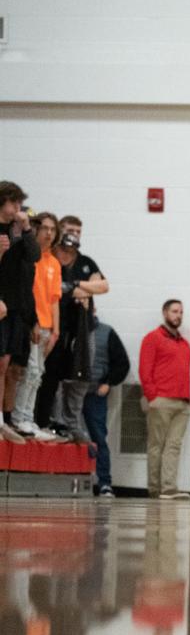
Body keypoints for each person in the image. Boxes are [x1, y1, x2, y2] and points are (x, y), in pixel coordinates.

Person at [36, 215, 110, 442]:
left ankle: (70, 423)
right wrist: (79, 290)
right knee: (51, 375)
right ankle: (50, 420)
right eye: (70, 230)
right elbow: (57, 289)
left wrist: (76, 285)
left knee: (80, 376)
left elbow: (102, 286)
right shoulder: (50, 258)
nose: (74, 235)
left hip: (81, 327)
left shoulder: (86, 261)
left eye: (78, 231)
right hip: (54, 323)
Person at [10, 211, 62, 443]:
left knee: (37, 375)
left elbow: (54, 300)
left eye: (53, 229)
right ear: (36, 229)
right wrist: (34, 321)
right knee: (28, 373)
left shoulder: (53, 262)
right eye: (45, 229)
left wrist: (55, 331)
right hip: (33, 323)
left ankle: (28, 418)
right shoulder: (31, 257)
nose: (49, 233)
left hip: (47, 328)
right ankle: (20, 418)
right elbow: (29, 293)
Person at [139, 300, 190, 500]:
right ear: (165, 313)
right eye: (174, 311)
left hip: (182, 402)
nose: (178, 315)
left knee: (173, 446)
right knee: (156, 445)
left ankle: (169, 488)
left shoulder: (185, 344)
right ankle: (154, 489)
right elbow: (145, 370)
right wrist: (153, 396)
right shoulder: (152, 339)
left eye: (181, 312)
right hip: (161, 400)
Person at [0, 182, 40, 443]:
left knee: (8, 364)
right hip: (2, 303)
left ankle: (5, 418)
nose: (18, 208)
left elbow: (34, 255)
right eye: (14, 203)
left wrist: (26, 228)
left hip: (15, 307)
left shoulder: (17, 230)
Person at [83, 311, 130, 497]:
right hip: (70, 393)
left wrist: (108, 383)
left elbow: (122, 363)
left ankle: (104, 482)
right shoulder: (69, 331)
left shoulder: (107, 332)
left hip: (95, 393)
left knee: (99, 437)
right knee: (72, 438)